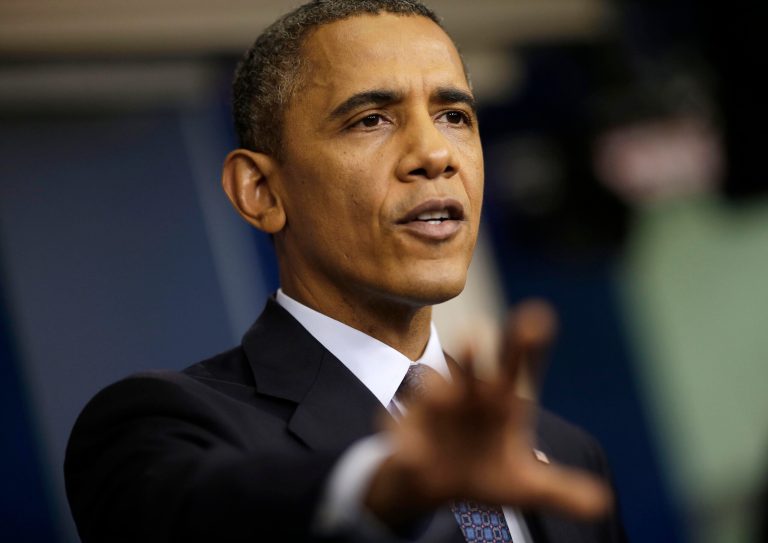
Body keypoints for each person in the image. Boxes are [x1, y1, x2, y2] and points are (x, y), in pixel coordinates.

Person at [64, 1, 627, 541]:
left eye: (454, 116)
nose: (435, 154)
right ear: (260, 191)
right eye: (371, 119)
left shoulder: (565, 452)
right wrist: (387, 485)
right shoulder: (165, 424)